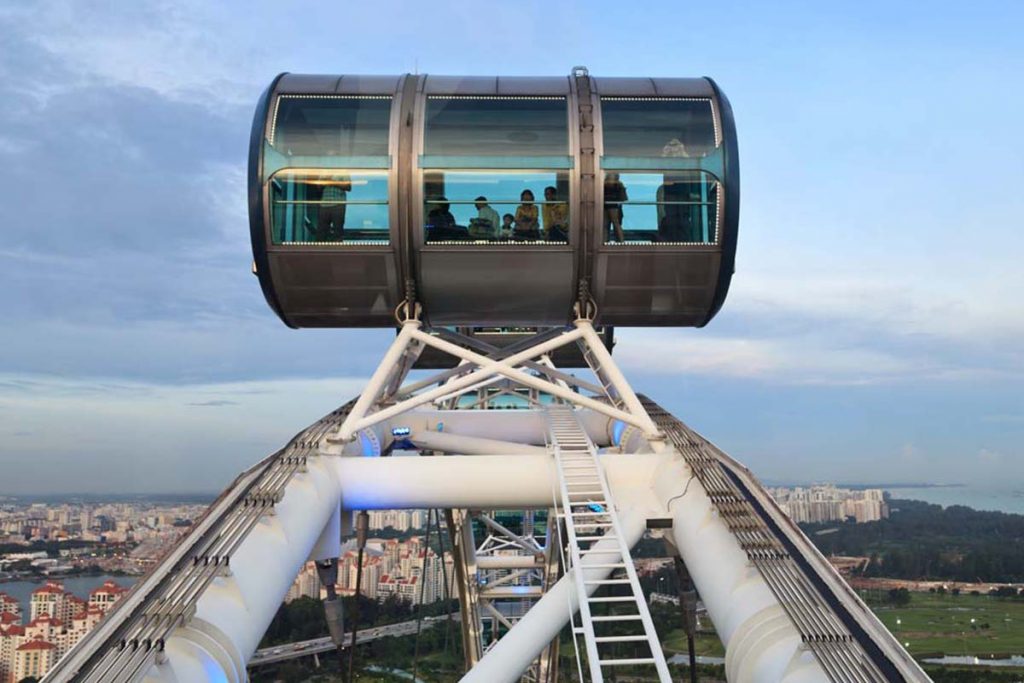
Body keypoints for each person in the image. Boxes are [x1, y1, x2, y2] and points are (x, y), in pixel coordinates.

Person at [315, 173, 351, 241]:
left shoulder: (343, 171)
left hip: (338, 203)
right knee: (321, 232)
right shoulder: (323, 171)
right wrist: (324, 181)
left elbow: (348, 187)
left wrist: (333, 181)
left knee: (338, 231)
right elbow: (318, 187)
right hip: (324, 204)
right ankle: (320, 250)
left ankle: (337, 250)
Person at [603, 173, 627, 242]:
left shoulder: (618, 185)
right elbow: (624, 198)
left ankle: (620, 242)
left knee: (615, 224)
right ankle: (605, 242)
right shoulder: (604, 184)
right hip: (606, 206)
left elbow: (624, 198)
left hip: (613, 206)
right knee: (606, 225)